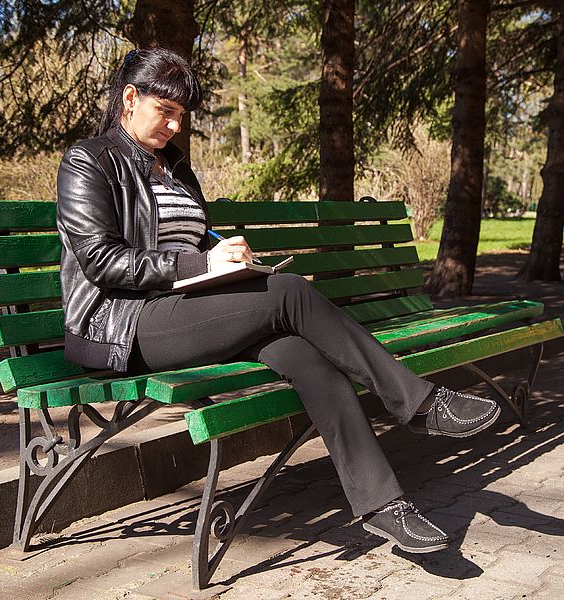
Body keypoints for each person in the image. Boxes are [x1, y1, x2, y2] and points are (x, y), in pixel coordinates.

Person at [56, 47, 501, 554]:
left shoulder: (176, 167)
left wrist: (226, 258)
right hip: (123, 325)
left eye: (182, 115)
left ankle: (382, 506)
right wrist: (202, 265)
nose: (176, 126)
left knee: (308, 357)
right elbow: (100, 260)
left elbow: (191, 240)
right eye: (166, 111)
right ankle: (420, 403)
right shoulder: (89, 160)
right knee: (289, 292)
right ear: (130, 99)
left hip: (188, 309)